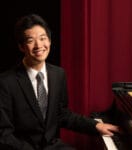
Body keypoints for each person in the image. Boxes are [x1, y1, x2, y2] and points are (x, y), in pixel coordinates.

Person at [0, 14, 120, 150]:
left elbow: (62, 115)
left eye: (42, 38)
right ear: (21, 46)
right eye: (30, 40)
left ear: (49, 41)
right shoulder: (5, 82)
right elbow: (4, 134)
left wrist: (96, 126)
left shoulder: (58, 74)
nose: (38, 45)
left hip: (53, 147)